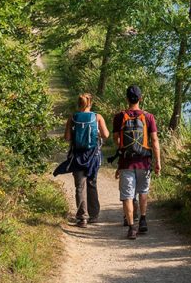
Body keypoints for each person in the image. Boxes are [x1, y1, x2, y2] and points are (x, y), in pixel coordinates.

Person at [113, 85, 161, 239]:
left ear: (127, 99)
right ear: (140, 98)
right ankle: (143, 220)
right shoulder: (149, 117)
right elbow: (154, 141)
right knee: (143, 192)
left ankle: (132, 228)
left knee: (127, 195)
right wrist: (157, 162)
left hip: (126, 163)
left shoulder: (119, 117)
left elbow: (117, 141)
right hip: (144, 161)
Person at [63, 93, 109, 227]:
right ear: (90, 103)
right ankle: (94, 215)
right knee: (91, 183)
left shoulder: (72, 117)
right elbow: (106, 134)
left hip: (77, 156)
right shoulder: (97, 117)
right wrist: (97, 133)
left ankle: (82, 217)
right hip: (93, 155)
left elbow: (66, 137)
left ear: (78, 103)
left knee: (79, 186)